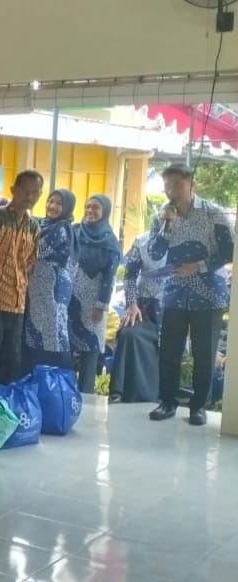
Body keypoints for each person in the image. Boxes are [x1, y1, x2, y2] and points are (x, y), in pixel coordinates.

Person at [148, 163, 235, 426]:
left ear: (192, 185)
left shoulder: (213, 213)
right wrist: (167, 227)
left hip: (208, 295)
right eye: (167, 186)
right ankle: (167, 402)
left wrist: (198, 267)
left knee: (203, 353)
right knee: (169, 351)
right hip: (174, 293)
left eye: (178, 185)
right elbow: (154, 253)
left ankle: (198, 407)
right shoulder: (162, 216)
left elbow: (229, 251)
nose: (172, 192)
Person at [0, 170, 43, 383]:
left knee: (12, 356)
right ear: (13, 190)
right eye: (25, 191)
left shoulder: (34, 227)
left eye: (35, 192)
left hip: (17, 301)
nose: (30, 197)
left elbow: (31, 261)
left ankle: (5, 399)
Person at [68, 194, 120, 396]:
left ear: (105, 211)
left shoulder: (110, 242)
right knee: (66, 348)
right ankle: (66, 395)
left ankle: (86, 396)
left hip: (93, 303)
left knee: (89, 351)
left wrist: (101, 305)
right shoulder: (75, 231)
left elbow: (110, 277)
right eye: (88, 206)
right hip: (70, 299)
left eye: (95, 207)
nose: (90, 211)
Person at [109, 232, 168, 403]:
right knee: (128, 334)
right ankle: (120, 390)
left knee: (170, 344)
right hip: (143, 307)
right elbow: (130, 275)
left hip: (173, 309)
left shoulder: (186, 240)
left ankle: (161, 396)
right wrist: (131, 304)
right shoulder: (143, 241)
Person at [24, 189, 77, 370]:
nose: (52, 206)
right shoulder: (43, 224)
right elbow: (29, 220)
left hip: (53, 289)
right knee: (36, 332)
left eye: (59, 203)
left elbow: (36, 251)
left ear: (67, 207)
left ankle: (55, 378)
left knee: (52, 333)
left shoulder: (61, 229)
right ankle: (38, 377)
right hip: (38, 288)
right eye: (50, 201)